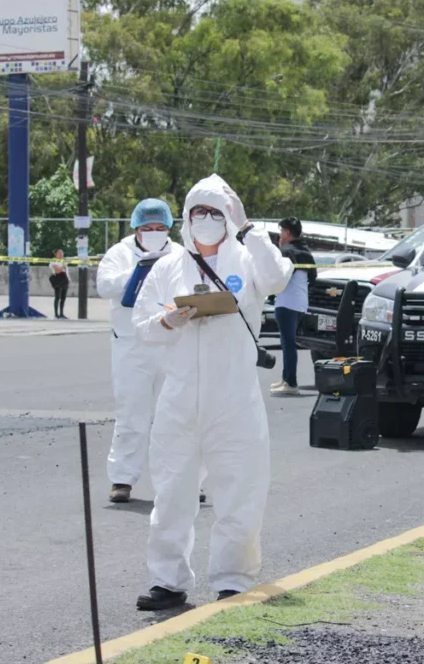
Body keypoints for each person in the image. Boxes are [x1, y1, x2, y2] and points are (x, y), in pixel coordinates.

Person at [131, 174, 293, 611]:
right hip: (179, 400)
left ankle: (233, 578)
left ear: (229, 216)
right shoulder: (167, 267)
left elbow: (278, 278)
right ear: (185, 218)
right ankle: (167, 580)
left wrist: (249, 229)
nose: (205, 219)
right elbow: (141, 325)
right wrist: (169, 321)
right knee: (171, 493)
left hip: (234, 398)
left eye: (214, 212)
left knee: (239, 490)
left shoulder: (248, 258)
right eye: (197, 212)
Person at [96, 199, 184, 504]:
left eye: (160, 227)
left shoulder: (181, 254)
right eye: (148, 228)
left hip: (169, 341)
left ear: (169, 227)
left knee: (175, 414)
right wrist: (139, 269)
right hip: (130, 345)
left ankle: (180, 480)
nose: (154, 232)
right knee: (131, 413)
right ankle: (122, 479)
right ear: (136, 227)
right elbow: (105, 286)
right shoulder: (119, 253)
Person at [270, 217, 316, 397]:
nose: (280, 235)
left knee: (287, 343)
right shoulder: (306, 252)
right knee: (287, 342)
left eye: (281, 231)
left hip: (286, 303)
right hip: (300, 303)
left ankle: (291, 382)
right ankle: (285, 378)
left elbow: (280, 276)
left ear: (287, 233)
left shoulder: (286, 251)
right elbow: (313, 279)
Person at [49, 249, 70, 319]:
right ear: (56, 254)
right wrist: (63, 266)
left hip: (65, 280)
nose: (61, 254)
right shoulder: (53, 261)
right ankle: (56, 314)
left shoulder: (64, 261)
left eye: (62, 252)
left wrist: (68, 278)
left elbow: (66, 271)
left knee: (63, 298)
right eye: (59, 253)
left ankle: (61, 313)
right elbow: (57, 271)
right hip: (58, 280)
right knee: (57, 297)